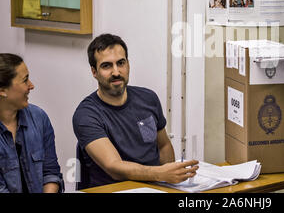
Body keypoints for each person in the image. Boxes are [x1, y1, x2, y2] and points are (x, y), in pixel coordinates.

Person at [72, 34, 198, 189]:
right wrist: (160, 173)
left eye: (121, 63)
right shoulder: (86, 115)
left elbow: (163, 145)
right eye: (107, 66)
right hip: (113, 189)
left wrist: (171, 178)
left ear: (128, 65)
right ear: (94, 71)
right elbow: (114, 167)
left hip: (155, 187)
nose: (116, 72)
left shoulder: (148, 99)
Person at [0, 53, 64, 193]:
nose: (31, 85)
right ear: (3, 90)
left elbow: (50, 172)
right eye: (25, 80)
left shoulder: (39, 118)